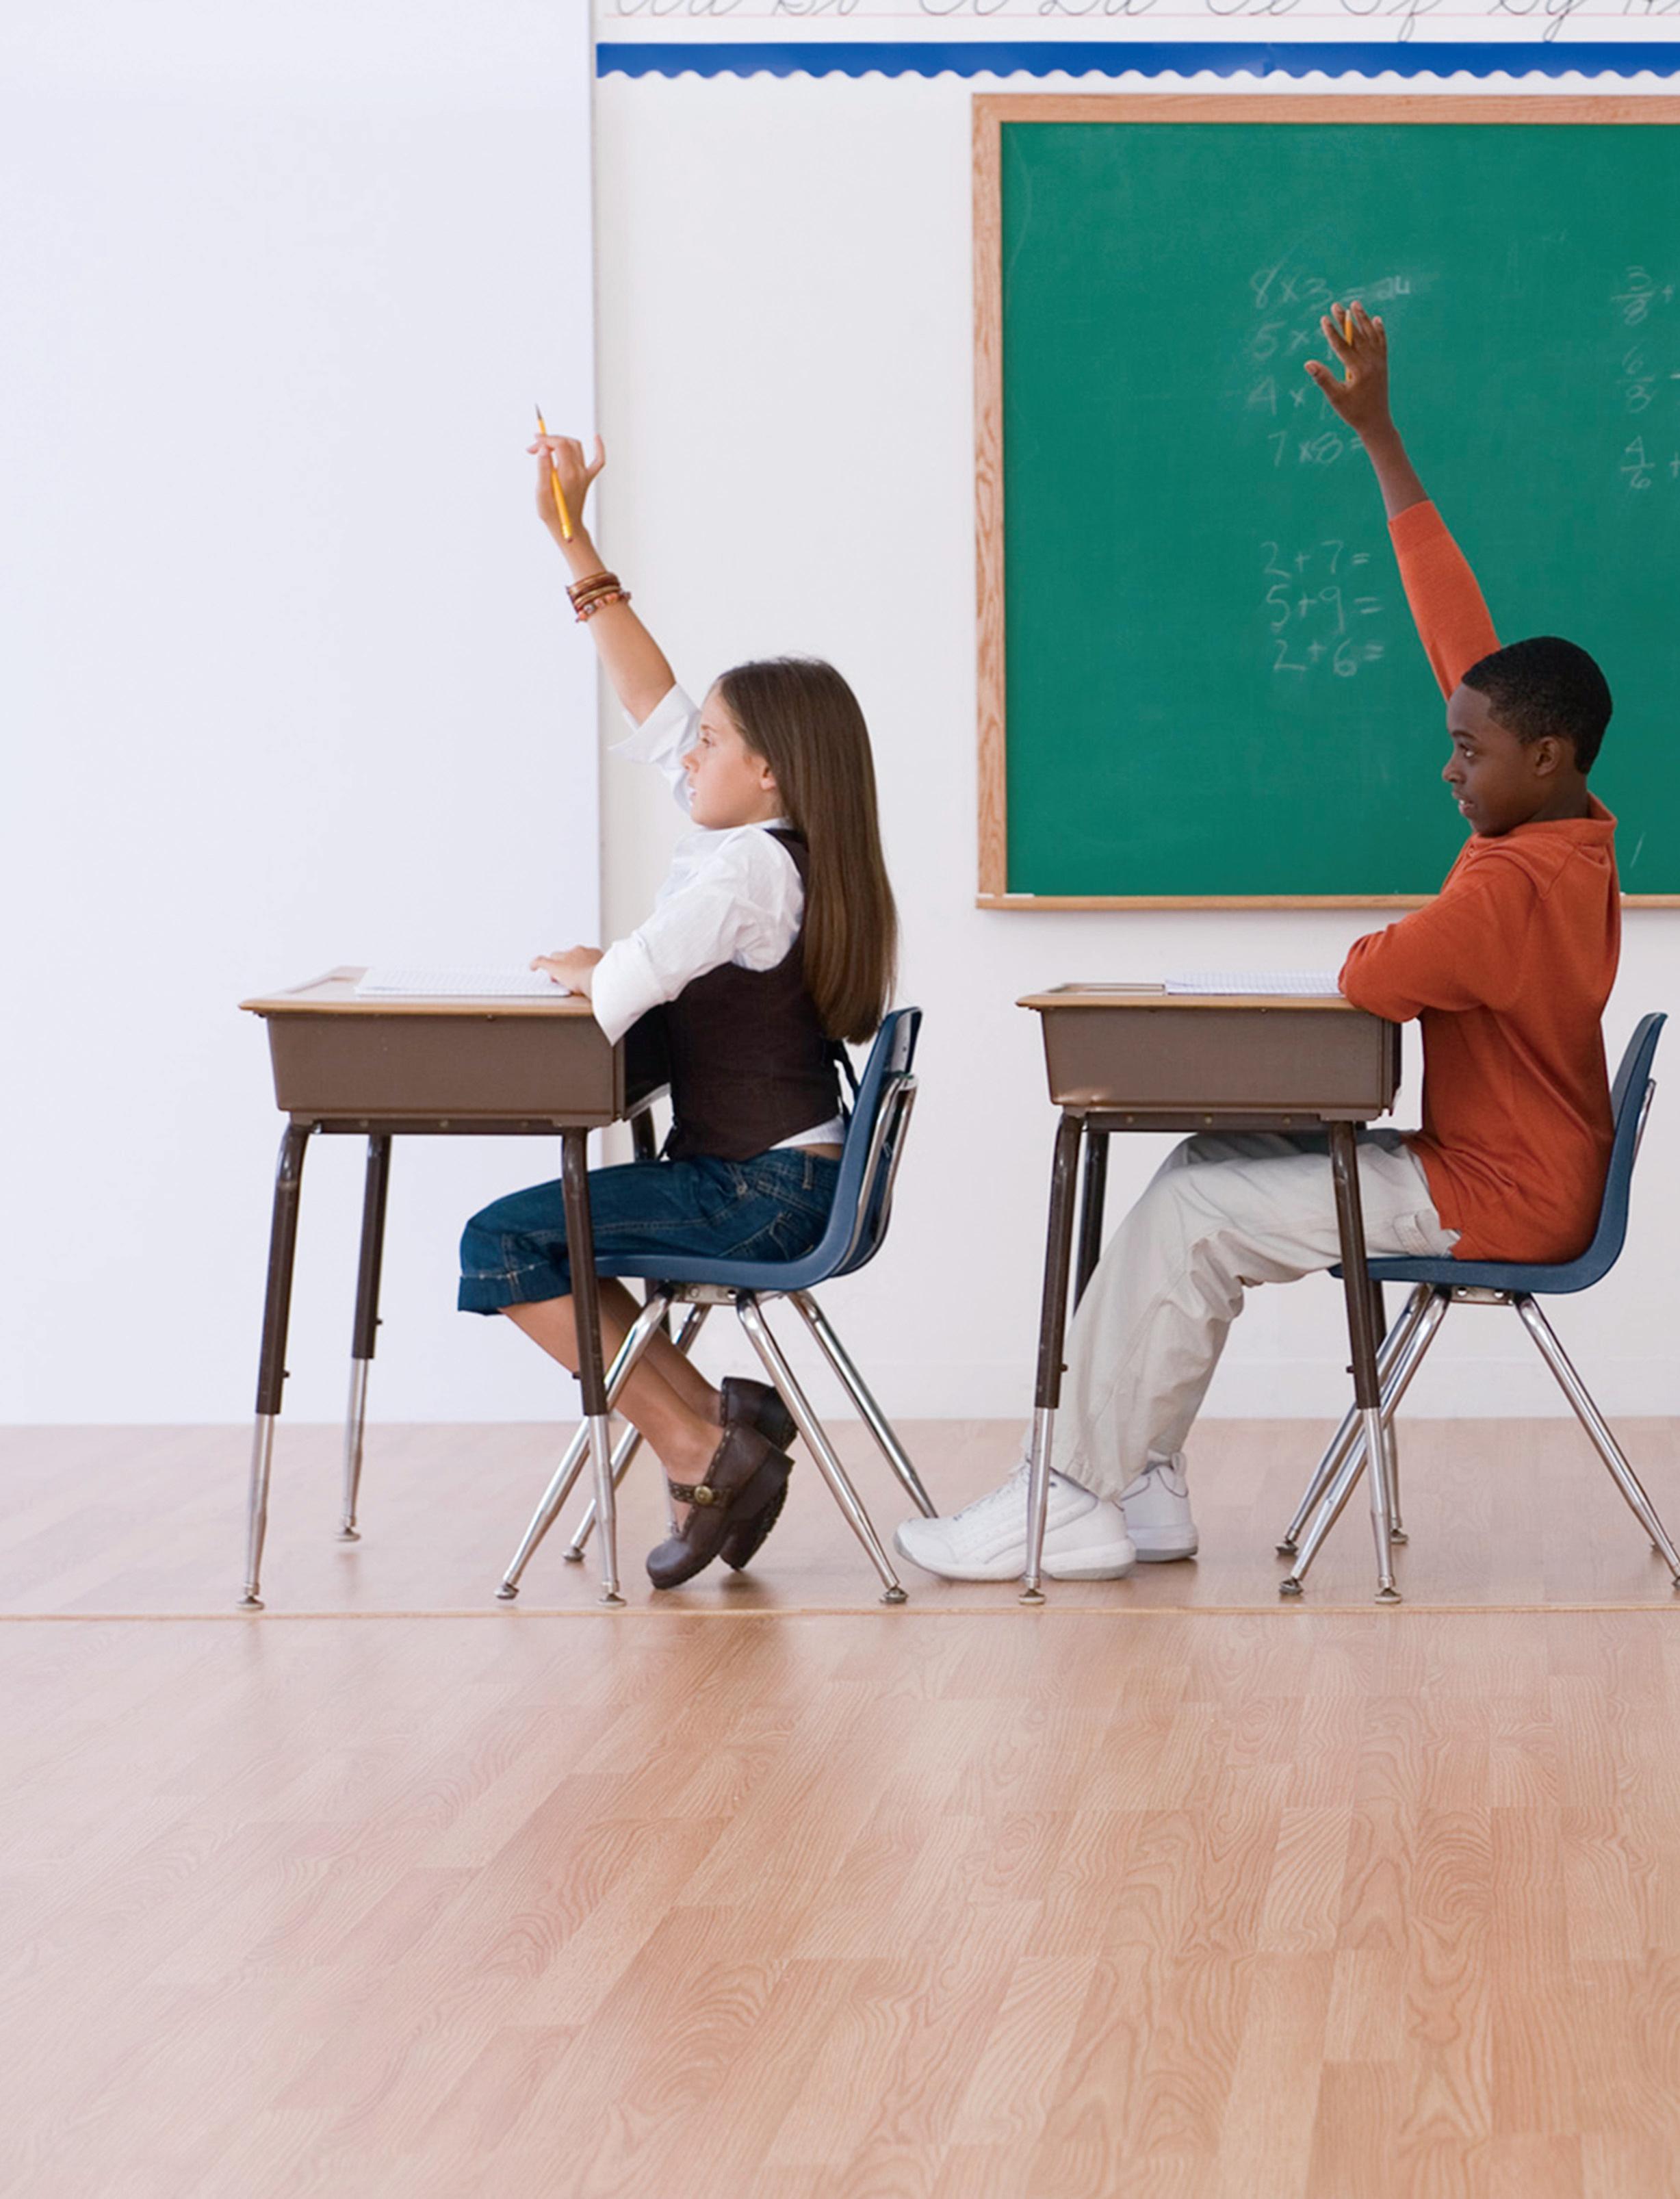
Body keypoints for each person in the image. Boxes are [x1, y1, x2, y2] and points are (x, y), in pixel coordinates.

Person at [898, 305, 1621, 1583]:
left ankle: (1070, 1495)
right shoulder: (1572, 830)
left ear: (1545, 754)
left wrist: (1403, 932)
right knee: (1206, 1163)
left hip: (1494, 1198)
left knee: (1194, 1209)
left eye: (1467, 750)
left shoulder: (1513, 886)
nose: (1447, 766)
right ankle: (1142, 1480)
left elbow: (1375, 977)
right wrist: (1382, 438)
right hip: (1510, 1169)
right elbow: (1460, 636)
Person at [461, 431, 898, 1589]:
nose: (687, 754)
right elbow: (655, 703)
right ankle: (717, 1422)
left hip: (757, 1194)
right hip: (786, 1180)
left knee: (502, 1240)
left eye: (712, 742)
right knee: (542, 1235)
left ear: (769, 771)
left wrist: (592, 968)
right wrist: (572, 539)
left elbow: (630, 984)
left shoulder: (747, 867)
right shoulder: (782, 848)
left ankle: (704, 1444)